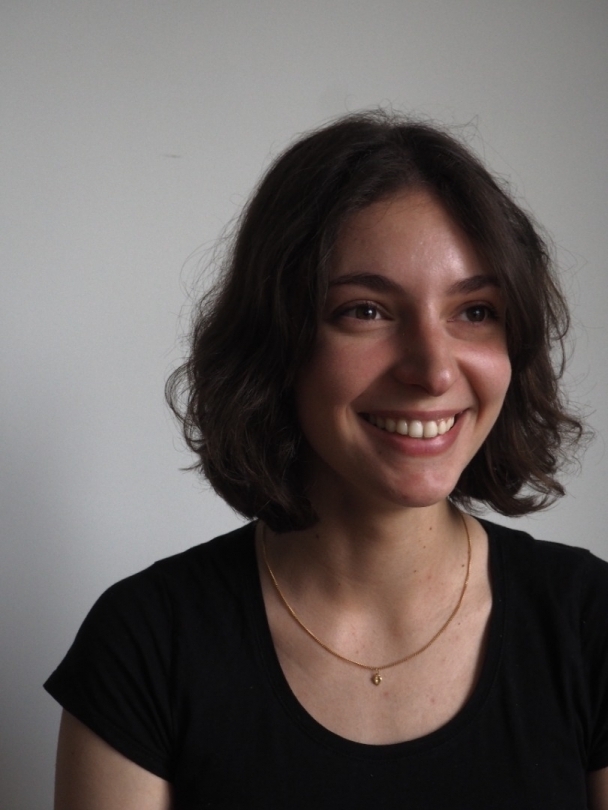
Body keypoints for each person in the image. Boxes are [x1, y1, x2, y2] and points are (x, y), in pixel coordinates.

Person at [45, 110, 608, 809]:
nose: (434, 370)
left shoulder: (590, 622)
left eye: (475, 311)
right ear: (276, 342)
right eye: (366, 311)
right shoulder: (145, 644)